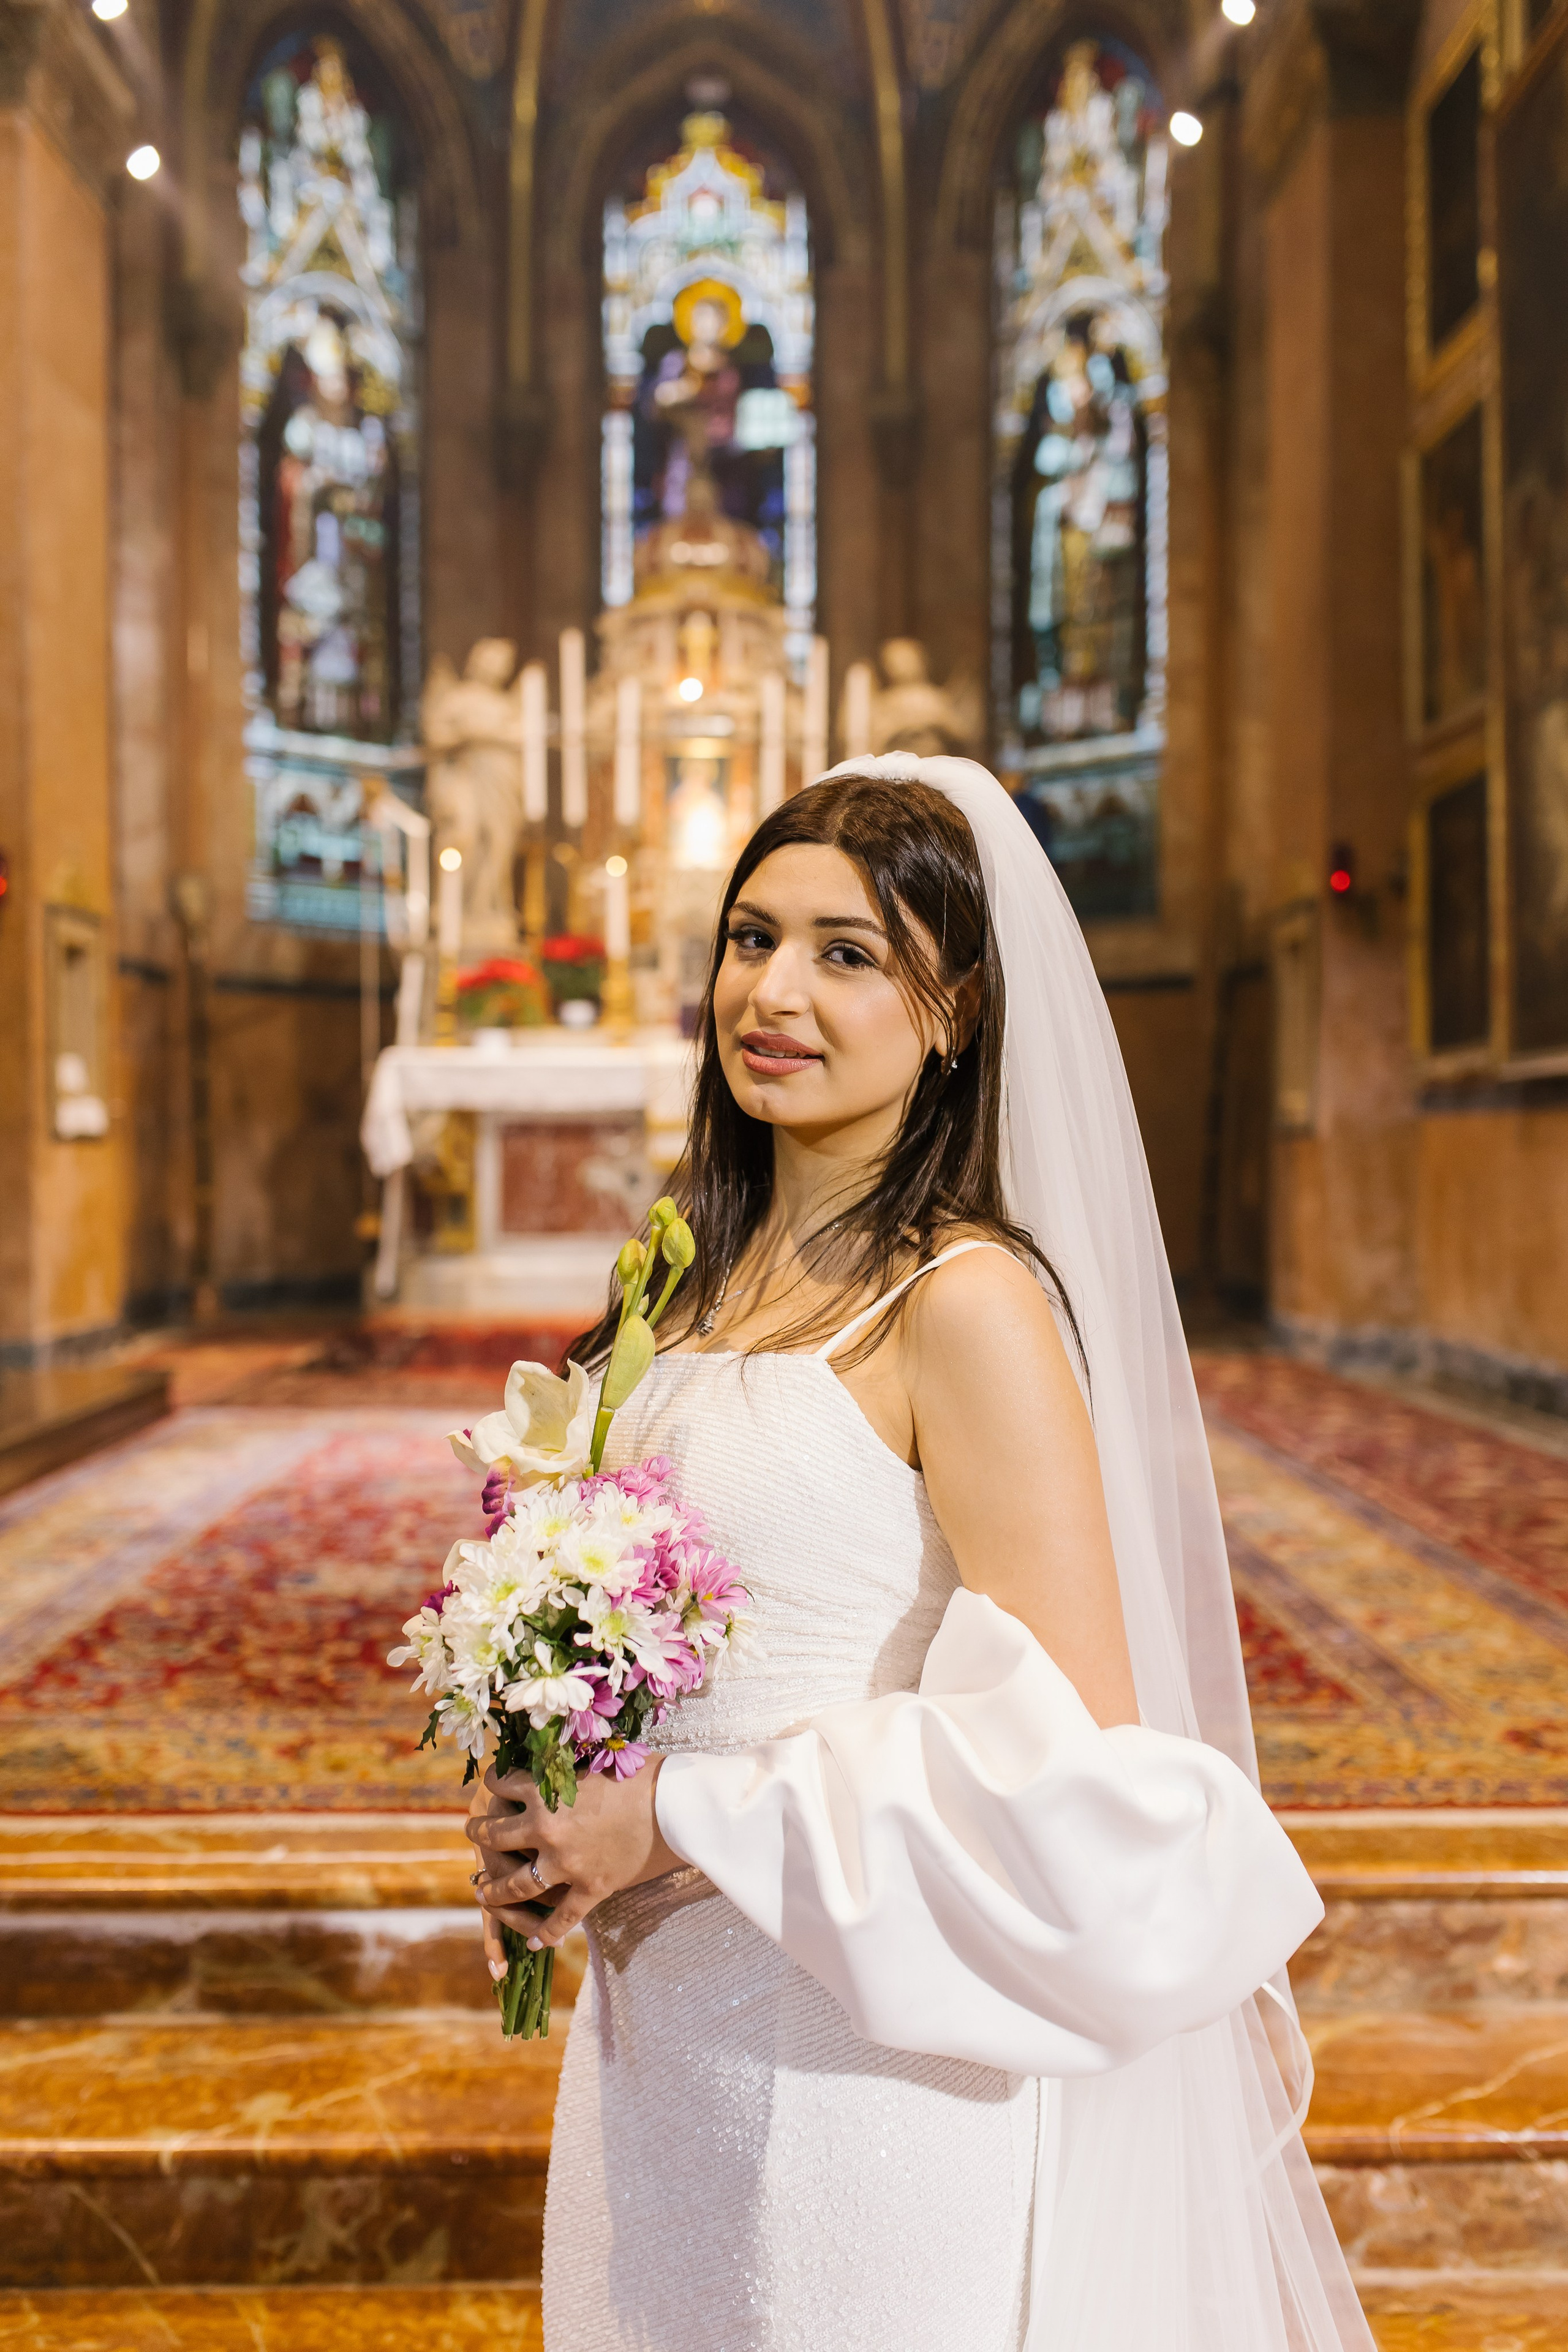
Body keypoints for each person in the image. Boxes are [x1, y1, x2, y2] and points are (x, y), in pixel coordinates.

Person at [467, 755, 1375, 2351]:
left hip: (863, 2055)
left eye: (847, 952)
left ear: (951, 1004)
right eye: (752, 937)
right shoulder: (675, 1295)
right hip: (657, 2030)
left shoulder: (963, 1305)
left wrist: (671, 1810)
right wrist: (543, 1796)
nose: (774, 988)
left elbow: (1083, 1777)